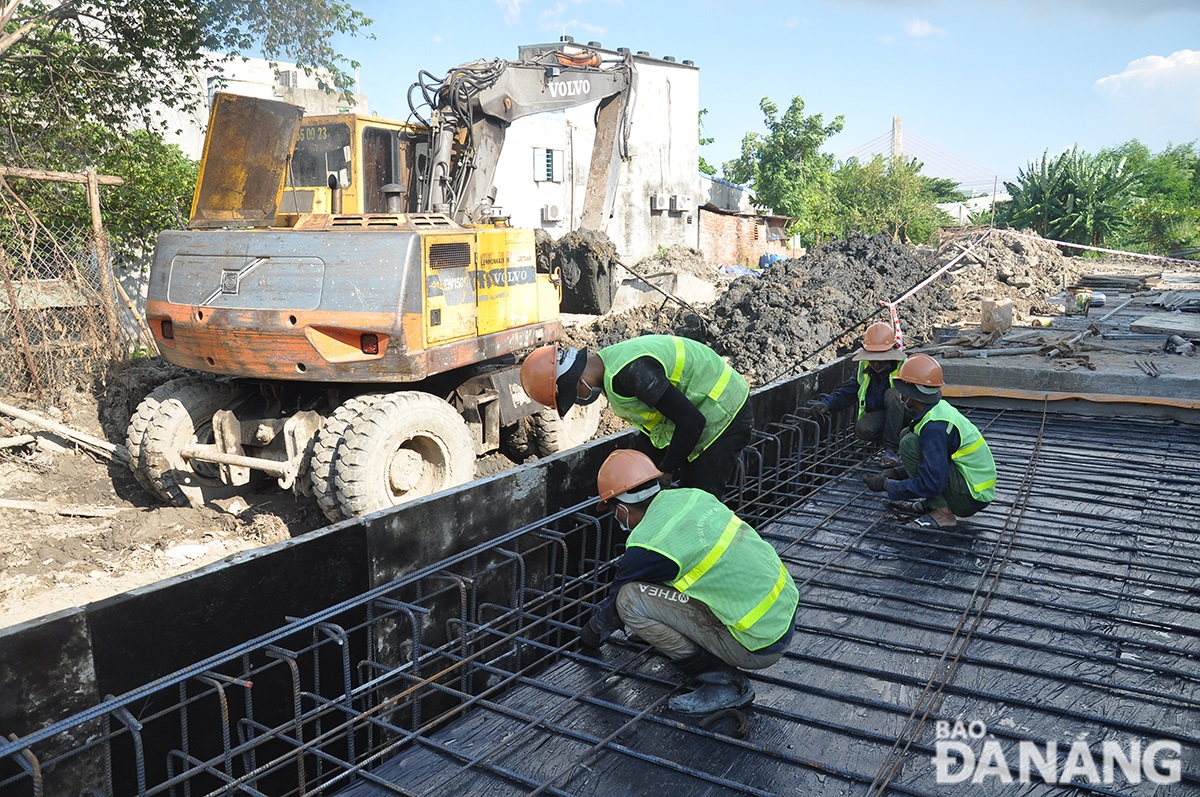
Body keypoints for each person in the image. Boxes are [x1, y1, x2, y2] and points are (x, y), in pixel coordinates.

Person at [578, 449, 799, 714]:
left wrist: (590, 634)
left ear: (622, 508)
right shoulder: (691, 497)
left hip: (757, 643)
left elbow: (614, 606)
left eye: (613, 510)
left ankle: (725, 684)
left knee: (630, 601)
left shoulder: (649, 546)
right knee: (666, 580)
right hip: (781, 613)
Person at [519, 335, 753, 497]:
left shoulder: (631, 373)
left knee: (700, 501)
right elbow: (659, 425)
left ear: (578, 382)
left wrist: (667, 472)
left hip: (723, 411)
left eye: (574, 397)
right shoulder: (610, 366)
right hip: (696, 414)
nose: (580, 401)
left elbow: (692, 421)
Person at [861, 354, 997, 530]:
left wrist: (887, 486)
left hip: (971, 496)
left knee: (909, 443)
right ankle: (934, 505)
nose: (900, 394)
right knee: (907, 435)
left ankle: (942, 513)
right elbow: (934, 463)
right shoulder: (937, 410)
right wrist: (896, 473)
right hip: (969, 484)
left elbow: (932, 483)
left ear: (912, 393)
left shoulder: (935, 428)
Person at [808, 321, 908, 469]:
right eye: (872, 358)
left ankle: (892, 450)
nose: (876, 364)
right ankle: (895, 442)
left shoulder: (904, 367)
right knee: (863, 428)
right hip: (884, 415)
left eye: (880, 359)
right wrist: (827, 403)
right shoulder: (864, 367)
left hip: (907, 419)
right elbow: (848, 391)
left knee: (893, 394)